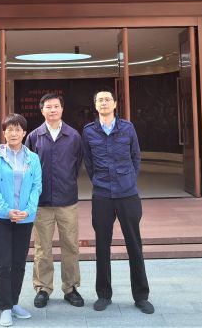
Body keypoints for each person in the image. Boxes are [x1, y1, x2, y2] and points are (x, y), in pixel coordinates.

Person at [81, 89, 154, 314]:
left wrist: (128, 179)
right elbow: (89, 162)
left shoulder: (127, 128)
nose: (104, 103)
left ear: (114, 104)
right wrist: (99, 180)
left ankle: (141, 296)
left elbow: (136, 157)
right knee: (102, 246)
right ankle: (104, 294)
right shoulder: (89, 131)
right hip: (102, 195)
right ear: (95, 105)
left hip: (127, 194)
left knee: (134, 245)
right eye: (99, 100)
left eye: (107, 99)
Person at [25, 93, 84, 308]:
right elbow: (28, 167)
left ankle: (71, 287)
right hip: (42, 203)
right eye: (48, 107)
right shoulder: (34, 136)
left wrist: (65, 182)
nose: (52, 110)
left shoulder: (73, 135)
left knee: (71, 246)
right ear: (42, 110)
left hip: (67, 201)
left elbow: (77, 164)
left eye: (56, 106)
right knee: (42, 248)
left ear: (62, 109)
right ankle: (43, 288)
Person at [0, 114, 42, 327]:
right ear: (4, 132)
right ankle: (5, 308)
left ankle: (14, 302)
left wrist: (28, 211)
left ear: (24, 132)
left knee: (19, 262)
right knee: (3, 263)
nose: (14, 133)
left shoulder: (33, 158)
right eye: (9, 129)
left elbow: (37, 186)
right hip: (0, 217)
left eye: (18, 129)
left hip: (25, 218)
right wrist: (6, 210)